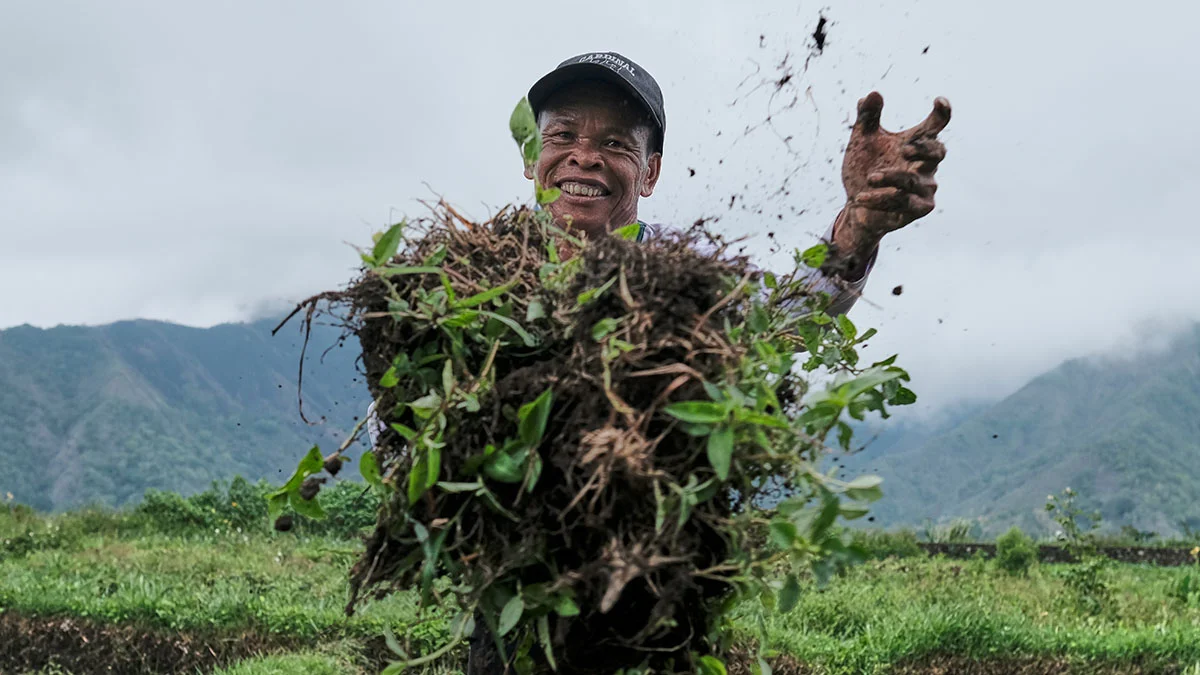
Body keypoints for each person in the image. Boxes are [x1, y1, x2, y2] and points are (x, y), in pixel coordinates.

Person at [373, 52, 951, 673]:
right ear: (530, 159)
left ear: (648, 173)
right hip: (517, 627)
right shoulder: (471, 291)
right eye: (562, 135)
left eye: (615, 143)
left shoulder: (687, 290)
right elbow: (412, 440)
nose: (584, 156)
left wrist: (857, 232)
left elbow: (788, 317)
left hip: (661, 616)